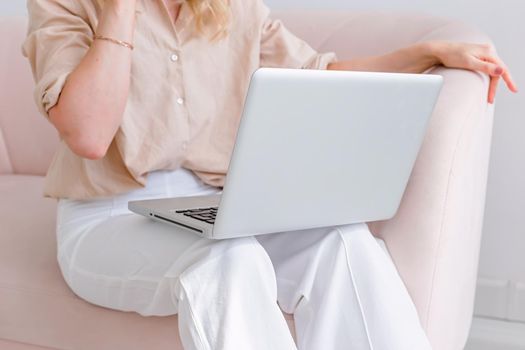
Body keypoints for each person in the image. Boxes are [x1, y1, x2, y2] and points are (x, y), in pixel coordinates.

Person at [22, 0, 517, 349]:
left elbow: (319, 72)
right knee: (227, 257)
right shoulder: (65, 4)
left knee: (340, 239)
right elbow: (88, 134)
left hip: (211, 202)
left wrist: (428, 54)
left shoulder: (229, 9)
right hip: (107, 215)